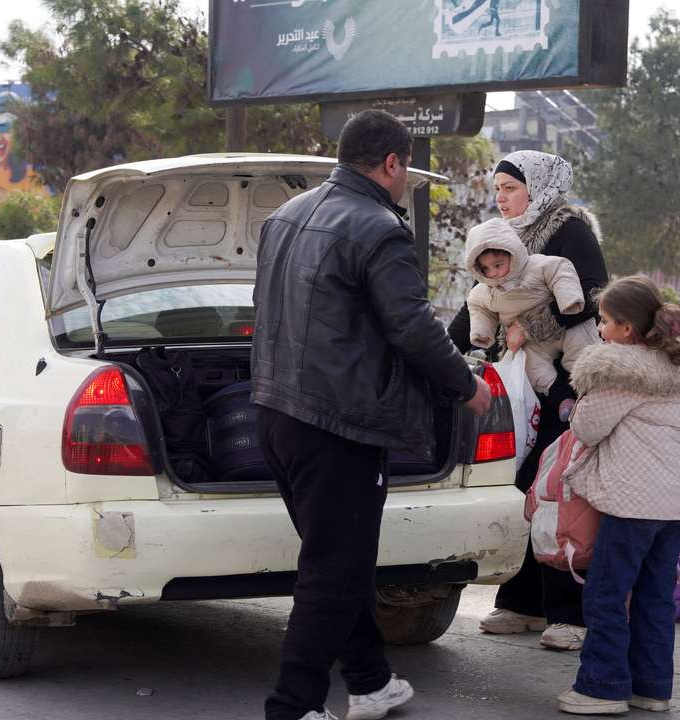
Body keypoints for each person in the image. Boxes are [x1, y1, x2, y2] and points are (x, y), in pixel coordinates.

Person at [251, 109, 492, 720]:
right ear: (392, 163)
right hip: (340, 425)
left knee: (341, 557)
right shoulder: (381, 228)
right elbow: (411, 326)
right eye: (406, 168)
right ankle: (293, 705)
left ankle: (370, 680)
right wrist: (466, 386)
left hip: (277, 411)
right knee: (334, 566)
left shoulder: (284, 216)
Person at [557, 276, 680, 715]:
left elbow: (585, 427)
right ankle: (652, 685)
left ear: (625, 328)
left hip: (631, 501)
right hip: (674, 503)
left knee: (606, 592)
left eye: (603, 322)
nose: (600, 330)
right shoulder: (679, 367)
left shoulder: (620, 372)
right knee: (655, 597)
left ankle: (601, 688)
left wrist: (581, 402)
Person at [449, 150, 608, 651]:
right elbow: (480, 297)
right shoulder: (501, 237)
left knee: (559, 489)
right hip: (520, 382)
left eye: (510, 188)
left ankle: (569, 613)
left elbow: (592, 293)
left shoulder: (569, 228)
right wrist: (440, 353)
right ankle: (521, 603)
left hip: (566, 377)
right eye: (497, 189)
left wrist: (528, 328)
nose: (502, 197)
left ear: (537, 187)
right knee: (522, 485)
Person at [464, 218, 593, 393]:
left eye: (498, 265)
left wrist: (568, 299)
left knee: (581, 348)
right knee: (529, 366)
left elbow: (560, 270)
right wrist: (482, 334)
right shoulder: (486, 290)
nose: (493, 273)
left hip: (564, 324)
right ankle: (561, 398)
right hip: (530, 343)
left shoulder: (536, 265)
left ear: (513, 254)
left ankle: (590, 390)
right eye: (486, 269)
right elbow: (478, 306)